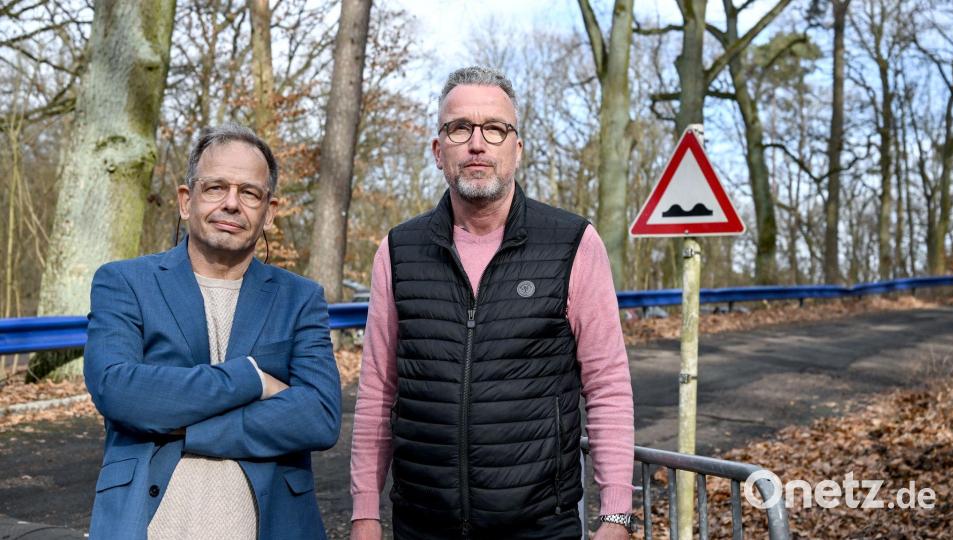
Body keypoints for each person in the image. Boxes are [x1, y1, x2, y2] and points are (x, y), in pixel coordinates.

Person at [350, 66, 636, 539]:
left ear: (516, 148)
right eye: (460, 128)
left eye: (495, 129)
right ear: (439, 151)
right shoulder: (398, 251)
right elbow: (378, 390)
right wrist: (364, 513)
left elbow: (607, 386)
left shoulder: (572, 244)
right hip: (422, 524)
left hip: (540, 525)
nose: (477, 143)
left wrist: (616, 515)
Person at [84, 124, 341, 540]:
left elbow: (319, 417)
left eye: (250, 193)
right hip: (147, 526)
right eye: (216, 187)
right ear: (187, 201)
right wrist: (252, 379)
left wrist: (187, 427)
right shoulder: (125, 282)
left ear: (269, 212)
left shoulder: (300, 298)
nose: (232, 204)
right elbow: (119, 389)